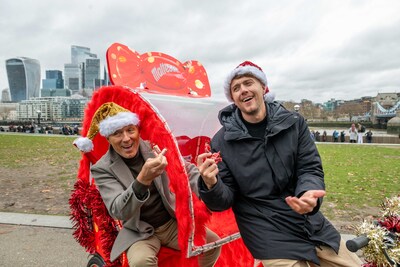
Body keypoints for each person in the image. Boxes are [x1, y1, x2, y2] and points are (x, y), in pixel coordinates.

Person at [196, 61, 362, 267]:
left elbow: (309, 168)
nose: (243, 90)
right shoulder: (221, 142)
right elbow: (223, 201)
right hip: (264, 228)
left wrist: (308, 194)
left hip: (307, 221)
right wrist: (211, 184)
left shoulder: (294, 122)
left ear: (263, 88)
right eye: (236, 88)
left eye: (248, 83)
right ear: (233, 100)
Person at [74, 103, 220, 267]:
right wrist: (142, 180)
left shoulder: (154, 147)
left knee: (212, 244)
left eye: (130, 130)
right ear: (108, 137)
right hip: (139, 231)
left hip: (171, 223)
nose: (126, 138)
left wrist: (205, 181)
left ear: (137, 130)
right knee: (141, 261)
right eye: (117, 133)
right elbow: (117, 210)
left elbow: (186, 170)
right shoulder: (102, 168)